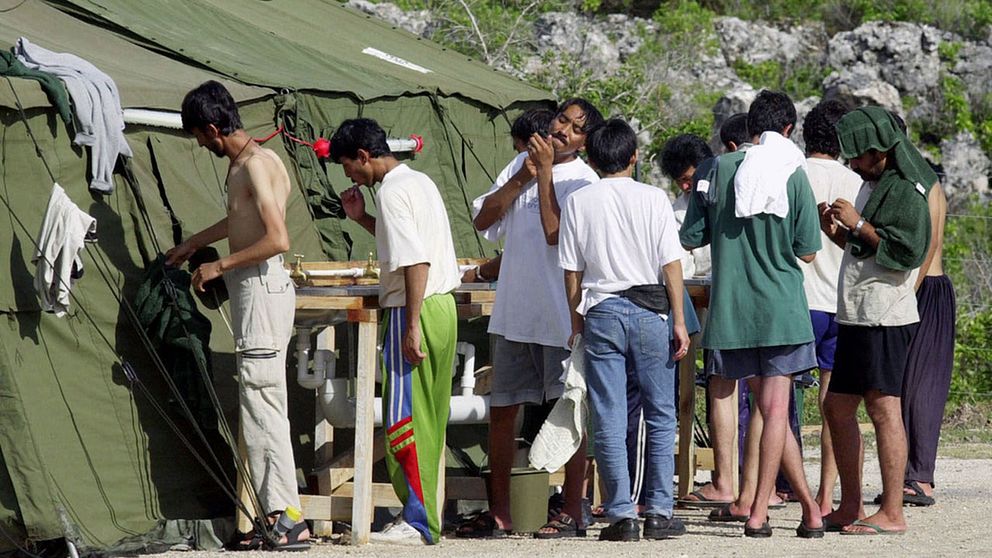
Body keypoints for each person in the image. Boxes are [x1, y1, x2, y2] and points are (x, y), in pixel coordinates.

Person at [166, 80, 309, 549]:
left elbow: (277, 238)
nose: (201, 145)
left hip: (262, 290)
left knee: (264, 405)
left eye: (200, 137)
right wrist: (192, 244)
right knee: (259, 405)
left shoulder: (254, 167)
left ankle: (288, 516)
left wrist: (219, 264)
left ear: (212, 127)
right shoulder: (255, 162)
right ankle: (275, 514)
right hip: (258, 290)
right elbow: (241, 220)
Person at [457, 99, 603, 539]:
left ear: (584, 142)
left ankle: (573, 509)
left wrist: (541, 176)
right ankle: (500, 513)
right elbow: (483, 218)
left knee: (569, 410)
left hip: (562, 315)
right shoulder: (519, 163)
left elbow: (556, 234)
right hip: (515, 312)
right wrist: (524, 173)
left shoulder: (584, 181)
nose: (563, 131)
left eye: (576, 129)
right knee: (502, 411)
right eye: (562, 119)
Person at [681, 90, 824, 538]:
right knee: (775, 411)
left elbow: (692, 237)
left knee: (752, 405)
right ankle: (765, 509)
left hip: (731, 310)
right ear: (787, 131)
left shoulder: (716, 171)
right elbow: (808, 251)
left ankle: (800, 510)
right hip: (781, 309)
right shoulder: (793, 174)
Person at [559, 117, 689, 542]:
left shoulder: (579, 200)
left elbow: (572, 271)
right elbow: (671, 264)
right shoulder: (654, 198)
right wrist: (680, 321)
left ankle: (620, 514)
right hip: (652, 310)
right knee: (660, 412)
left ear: (592, 159)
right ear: (634, 157)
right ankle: (659, 510)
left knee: (609, 414)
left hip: (602, 309)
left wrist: (576, 320)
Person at [333, 118, 462, 545]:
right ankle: (423, 516)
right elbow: (409, 245)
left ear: (365, 157)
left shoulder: (390, 192)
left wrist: (409, 325)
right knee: (431, 417)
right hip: (443, 307)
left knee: (404, 418)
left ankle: (419, 520)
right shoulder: (418, 181)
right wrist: (361, 218)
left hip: (417, 308)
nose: (350, 175)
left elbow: (415, 262)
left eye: (350, 166)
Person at [822, 106, 936, 535]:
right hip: (858, 312)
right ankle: (850, 503)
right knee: (837, 405)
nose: (851, 163)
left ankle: (892, 511)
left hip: (885, 315)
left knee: (885, 408)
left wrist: (860, 223)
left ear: (878, 150)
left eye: (856, 155)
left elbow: (907, 250)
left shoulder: (906, 189)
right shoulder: (877, 182)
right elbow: (867, 246)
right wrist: (839, 231)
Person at [798, 100, 864, 515]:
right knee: (833, 407)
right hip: (840, 301)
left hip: (797, 299)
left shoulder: (794, 175)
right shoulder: (856, 181)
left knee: (778, 399)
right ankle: (825, 494)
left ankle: (779, 487)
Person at [899, 182, 955, 507]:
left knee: (924, 388)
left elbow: (931, 242)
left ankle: (920, 476)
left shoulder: (926, 184)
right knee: (903, 386)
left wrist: (910, 290)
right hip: (914, 288)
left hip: (928, 288)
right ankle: (906, 475)